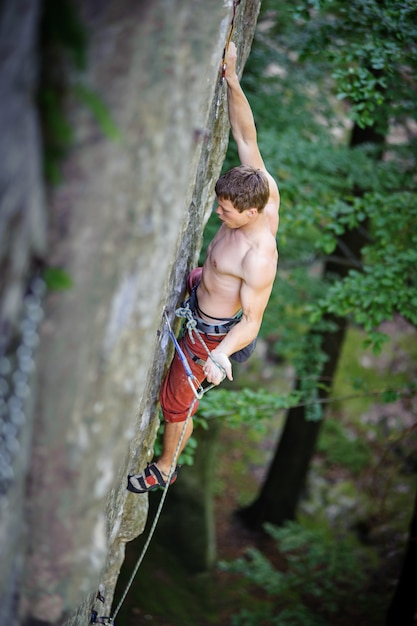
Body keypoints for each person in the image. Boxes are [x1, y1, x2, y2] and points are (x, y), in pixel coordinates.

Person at [127, 42, 279, 493]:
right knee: (201, 276)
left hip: (212, 332)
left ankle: (165, 466)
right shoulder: (259, 186)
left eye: (228, 211)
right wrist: (231, 78)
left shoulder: (259, 256)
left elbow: (252, 322)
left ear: (252, 213)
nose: (219, 214)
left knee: (175, 403)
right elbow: (246, 136)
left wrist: (219, 354)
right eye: (219, 203)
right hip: (201, 288)